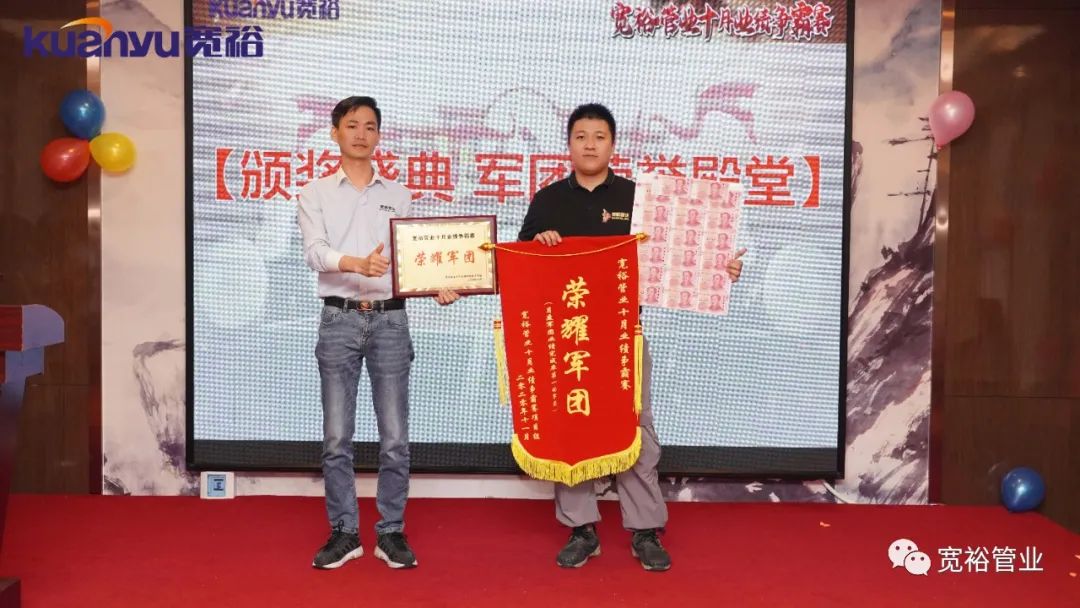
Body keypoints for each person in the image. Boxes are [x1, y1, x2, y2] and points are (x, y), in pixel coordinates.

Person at [518, 103, 745, 572]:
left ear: (613, 145)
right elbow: (521, 265)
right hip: (566, 337)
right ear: (569, 144)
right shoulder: (547, 201)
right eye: (581, 136)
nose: (590, 145)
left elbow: (676, 255)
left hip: (623, 334)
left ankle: (645, 529)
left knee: (635, 428)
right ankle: (581, 528)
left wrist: (720, 268)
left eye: (599, 137)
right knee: (570, 428)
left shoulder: (641, 199)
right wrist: (539, 244)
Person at [297, 96, 460, 571]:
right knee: (336, 438)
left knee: (395, 438)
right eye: (352, 125)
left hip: (391, 319)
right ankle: (344, 532)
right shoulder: (314, 192)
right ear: (335, 132)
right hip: (339, 319)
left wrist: (437, 286)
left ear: (379, 136)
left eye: (370, 126)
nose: (361, 134)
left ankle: (391, 532)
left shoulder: (400, 195)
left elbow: (413, 261)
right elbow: (314, 252)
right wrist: (354, 263)